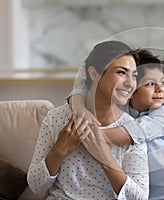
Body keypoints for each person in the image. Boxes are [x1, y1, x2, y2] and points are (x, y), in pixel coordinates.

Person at [69, 49, 164, 199]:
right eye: (150, 84)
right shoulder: (123, 105)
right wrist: (80, 109)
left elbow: (126, 134)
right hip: (152, 195)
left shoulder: (162, 115)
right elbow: (82, 90)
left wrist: (83, 133)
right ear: (131, 90)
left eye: (162, 82)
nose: (160, 89)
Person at [27, 41, 149, 200]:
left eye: (134, 75)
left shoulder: (131, 131)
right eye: (121, 72)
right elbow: (35, 185)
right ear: (94, 74)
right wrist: (60, 150)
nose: (130, 83)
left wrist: (105, 158)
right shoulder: (56, 119)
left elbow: (140, 197)